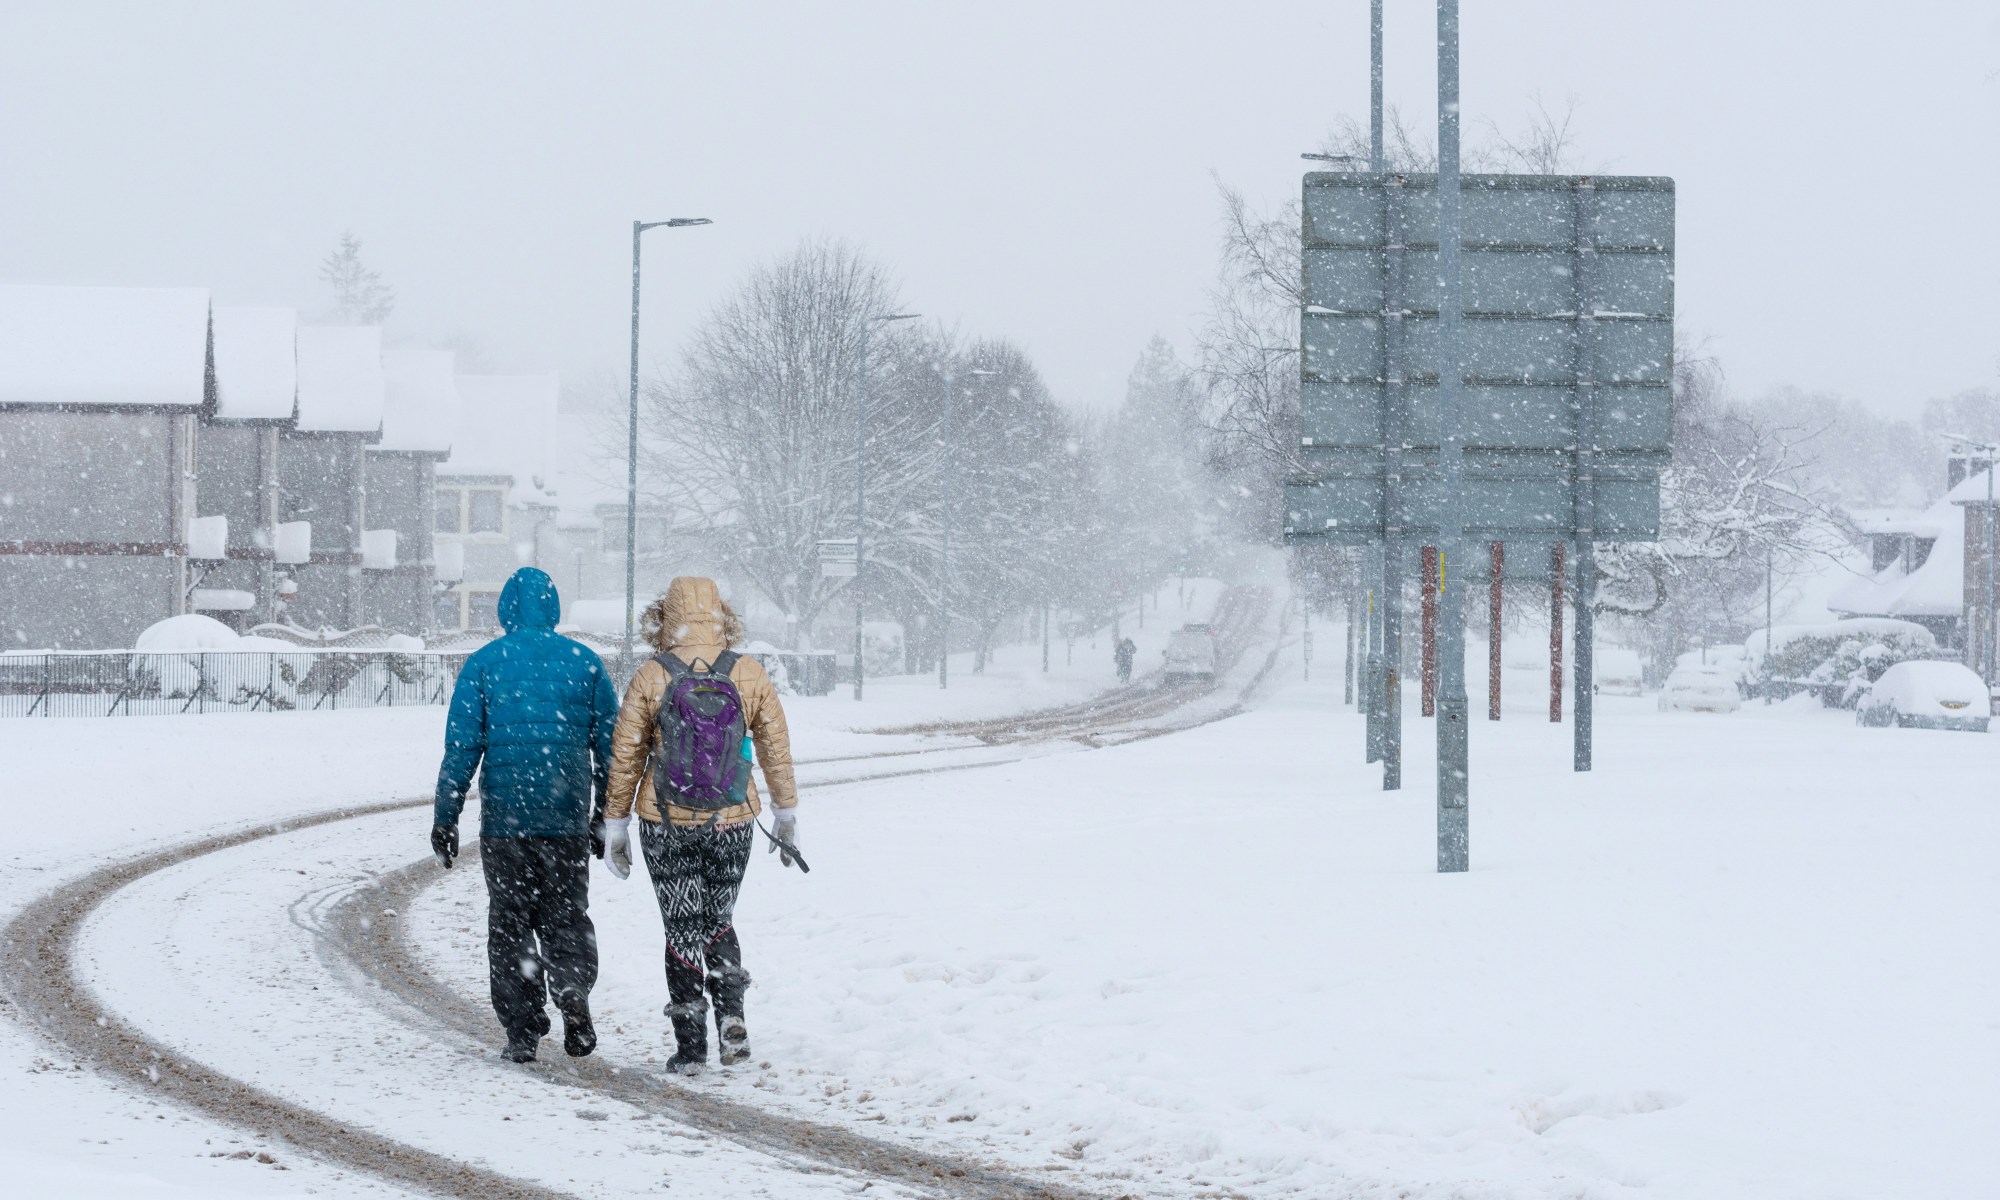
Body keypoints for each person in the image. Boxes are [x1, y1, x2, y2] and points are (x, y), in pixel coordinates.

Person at [601, 576, 799, 1076]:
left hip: (664, 821)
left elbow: (625, 756)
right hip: (732, 820)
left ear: (664, 618)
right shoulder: (747, 672)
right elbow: (775, 747)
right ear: (722, 616)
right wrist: (786, 812)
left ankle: (690, 1047)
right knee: (719, 920)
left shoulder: (652, 674)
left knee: (681, 928)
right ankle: (732, 1019)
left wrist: (616, 824)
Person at [432, 566, 618, 1064]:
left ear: (506, 609)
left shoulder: (485, 663)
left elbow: (462, 747)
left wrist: (445, 816)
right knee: (566, 917)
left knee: (510, 923)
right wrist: (606, 814)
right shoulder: (585, 663)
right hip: (565, 818)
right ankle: (572, 988)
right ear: (553, 607)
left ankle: (522, 1027)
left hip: (506, 822)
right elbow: (611, 749)